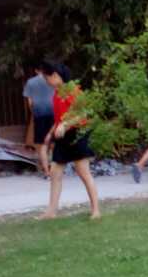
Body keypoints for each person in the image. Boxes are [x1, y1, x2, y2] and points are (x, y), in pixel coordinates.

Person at [41, 64, 102, 220]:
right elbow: (58, 119)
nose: (46, 81)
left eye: (46, 77)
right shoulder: (56, 94)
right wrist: (50, 133)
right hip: (62, 136)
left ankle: (96, 211)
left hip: (77, 135)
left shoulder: (73, 91)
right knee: (55, 172)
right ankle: (51, 212)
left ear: (55, 75)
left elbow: (83, 114)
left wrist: (65, 124)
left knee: (83, 172)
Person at [24, 62, 56, 177]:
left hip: (39, 115)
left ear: (36, 71)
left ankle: (46, 172)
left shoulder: (30, 82)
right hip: (53, 114)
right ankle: (55, 169)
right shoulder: (52, 80)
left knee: (42, 145)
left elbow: (30, 102)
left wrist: (34, 113)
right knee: (53, 143)